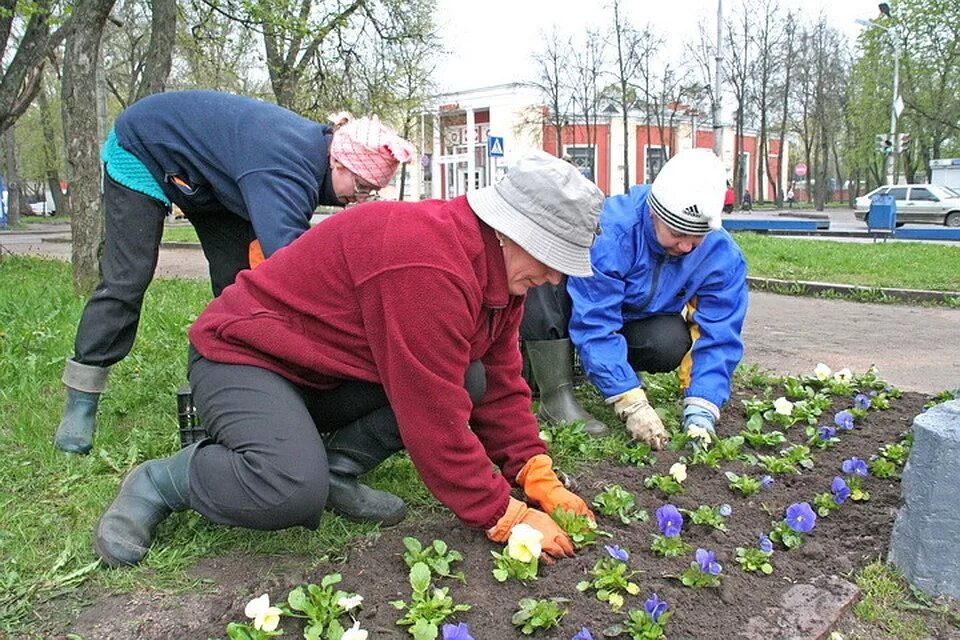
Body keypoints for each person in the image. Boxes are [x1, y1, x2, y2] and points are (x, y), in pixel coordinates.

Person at [92, 151, 603, 568]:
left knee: (469, 378)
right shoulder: (429, 262)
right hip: (245, 358)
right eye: (553, 259)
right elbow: (431, 412)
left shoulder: (498, 272)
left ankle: (337, 470)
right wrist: (505, 514)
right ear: (511, 231)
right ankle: (161, 481)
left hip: (324, 369)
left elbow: (498, 376)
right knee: (289, 489)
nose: (556, 279)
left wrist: (535, 471)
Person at [54, 90, 415, 455]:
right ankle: (82, 398)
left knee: (238, 282)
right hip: (144, 149)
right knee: (127, 278)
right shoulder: (283, 170)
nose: (361, 198)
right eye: (361, 187)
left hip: (211, 179)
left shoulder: (309, 160)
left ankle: (242, 388)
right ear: (338, 164)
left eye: (371, 192)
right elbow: (295, 269)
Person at [522, 149, 748, 448]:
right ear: (654, 212)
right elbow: (596, 323)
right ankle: (553, 391)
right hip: (573, 311)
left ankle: (607, 372)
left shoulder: (721, 257)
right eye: (677, 232)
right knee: (542, 282)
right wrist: (631, 402)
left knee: (669, 340)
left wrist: (702, 407)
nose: (686, 247)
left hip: (630, 323)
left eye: (697, 236)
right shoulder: (612, 231)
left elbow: (718, 334)